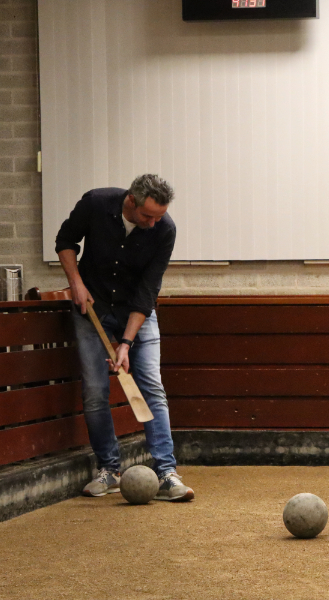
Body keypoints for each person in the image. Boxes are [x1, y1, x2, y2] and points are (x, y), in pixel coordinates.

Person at [55, 174, 194, 502]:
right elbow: (65, 240)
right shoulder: (96, 203)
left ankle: (166, 473)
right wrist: (75, 282)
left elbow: (148, 290)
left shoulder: (165, 229)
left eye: (159, 216)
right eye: (148, 216)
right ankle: (109, 470)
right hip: (93, 308)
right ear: (130, 200)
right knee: (94, 392)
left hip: (138, 314)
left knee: (152, 387)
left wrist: (126, 343)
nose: (153, 223)